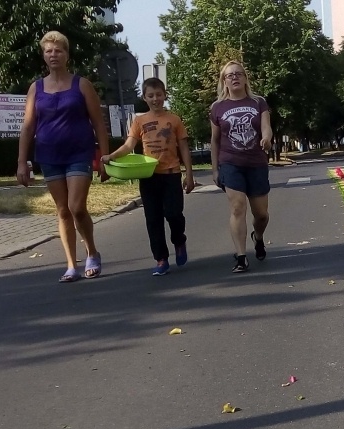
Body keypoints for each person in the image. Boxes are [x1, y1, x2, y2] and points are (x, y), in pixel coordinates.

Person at [17, 30, 108, 283]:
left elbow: (99, 123)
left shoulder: (82, 85)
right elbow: (27, 127)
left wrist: (104, 156)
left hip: (79, 153)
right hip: (49, 155)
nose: (53, 55)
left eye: (58, 50)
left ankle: (92, 251)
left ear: (67, 54)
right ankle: (70, 265)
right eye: (48, 51)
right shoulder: (36, 88)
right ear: (44, 56)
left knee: (76, 207)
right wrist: (21, 162)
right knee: (62, 211)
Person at [101, 78, 194, 276]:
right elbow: (128, 146)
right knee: (153, 219)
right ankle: (161, 259)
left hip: (171, 175)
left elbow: (183, 147)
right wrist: (111, 156)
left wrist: (189, 174)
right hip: (149, 176)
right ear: (144, 98)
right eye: (150, 95)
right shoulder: (139, 121)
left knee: (174, 214)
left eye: (158, 94)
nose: (155, 99)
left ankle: (179, 241)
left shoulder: (174, 119)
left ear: (165, 95)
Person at [210, 60, 273, 273]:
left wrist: (266, 139)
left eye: (238, 73)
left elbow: (266, 128)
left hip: (256, 163)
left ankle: (259, 237)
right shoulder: (217, 108)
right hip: (230, 163)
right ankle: (241, 256)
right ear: (224, 81)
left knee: (261, 214)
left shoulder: (258, 102)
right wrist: (215, 169)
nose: (234, 77)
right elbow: (215, 141)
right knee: (237, 208)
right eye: (230, 75)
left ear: (245, 78)